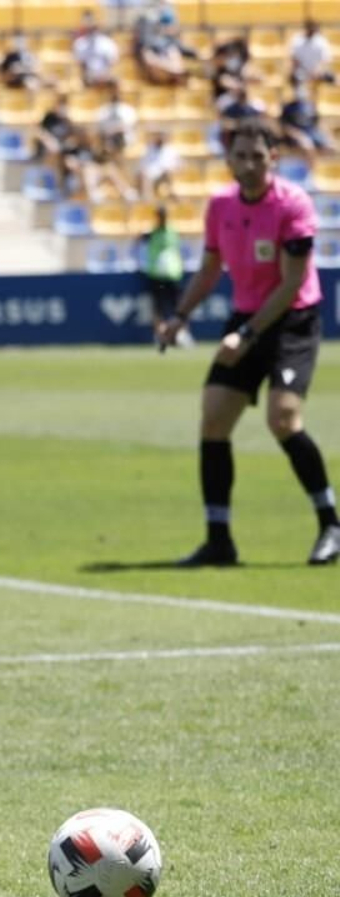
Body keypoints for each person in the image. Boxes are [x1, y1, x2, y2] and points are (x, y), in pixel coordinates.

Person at [155, 122, 340, 566]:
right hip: (246, 319)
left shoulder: (293, 205)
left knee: (283, 418)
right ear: (229, 160)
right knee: (214, 418)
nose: (250, 165)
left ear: (273, 157)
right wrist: (179, 316)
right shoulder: (220, 206)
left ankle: (330, 524)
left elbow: (292, 283)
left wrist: (248, 335)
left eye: (259, 156)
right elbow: (209, 269)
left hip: (292, 318)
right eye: (242, 156)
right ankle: (219, 539)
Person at [137, 203, 189, 343]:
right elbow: (139, 243)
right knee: (158, 308)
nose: (162, 218)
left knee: (179, 307)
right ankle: (160, 335)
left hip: (173, 274)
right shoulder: (150, 233)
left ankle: (181, 335)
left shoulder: (173, 231)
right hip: (156, 275)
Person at [278, 83, 332, 168]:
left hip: (311, 133)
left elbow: (316, 123)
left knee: (330, 148)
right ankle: (312, 173)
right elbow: (284, 127)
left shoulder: (310, 105)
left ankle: (326, 173)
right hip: (295, 136)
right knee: (308, 147)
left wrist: (326, 136)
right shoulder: (288, 107)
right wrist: (300, 137)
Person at [72, 18, 119, 89]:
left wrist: (104, 75)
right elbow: (80, 64)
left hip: (105, 74)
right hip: (88, 76)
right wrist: (88, 75)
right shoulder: (80, 43)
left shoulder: (107, 42)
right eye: (89, 29)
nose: (91, 31)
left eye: (93, 28)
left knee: (116, 81)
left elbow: (112, 62)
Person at [289, 20, 335, 86]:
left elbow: (325, 59)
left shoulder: (321, 41)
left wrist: (317, 71)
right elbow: (294, 59)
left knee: (331, 77)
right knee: (295, 78)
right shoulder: (297, 40)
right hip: (302, 72)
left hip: (319, 72)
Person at [140, 129, 181, 200]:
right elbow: (144, 165)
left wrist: (171, 170)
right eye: (157, 135)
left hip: (166, 175)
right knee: (145, 177)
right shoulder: (149, 149)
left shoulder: (172, 150)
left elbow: (179, 166)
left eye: (161, 135)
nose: (159, 137)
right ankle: (148, 201)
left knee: (168, 174)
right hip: (152, 176)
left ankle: (173, 195)